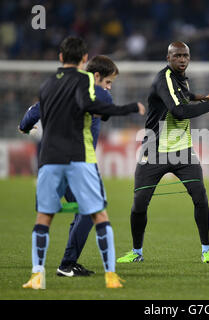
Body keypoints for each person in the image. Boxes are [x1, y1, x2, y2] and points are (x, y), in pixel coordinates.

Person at [22, 36, 145, 289]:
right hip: (78, 160)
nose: (109, 88)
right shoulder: (93, 88)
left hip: (51, 159)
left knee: (54, 215)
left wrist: (25, 127)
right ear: (94, 72)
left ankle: (49, 269)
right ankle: (68, 264)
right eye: (109, 82)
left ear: (60, 58)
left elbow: (34, 111)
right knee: (93, 212)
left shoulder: (52, 85)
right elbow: (104, 104)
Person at [116, 41, 209, 264]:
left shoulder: (180, 78)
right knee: (140, 203)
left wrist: (198, 97)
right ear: (168, 58)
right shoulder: (164, 79)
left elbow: (182, 94)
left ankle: (206, 250)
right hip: (154, 150)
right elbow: (178, 111)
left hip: (182, 152)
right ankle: (136, 252)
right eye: (177, 56)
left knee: (200, 196)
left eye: (185, 56)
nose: (182, 60)